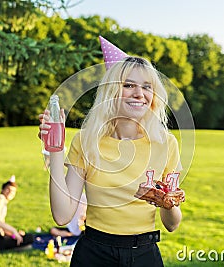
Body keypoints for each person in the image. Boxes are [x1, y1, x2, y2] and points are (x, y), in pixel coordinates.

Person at [38, 36, 184, 266]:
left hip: (145, 254)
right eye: (128, 85)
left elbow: (172, 224)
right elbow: (62, 215)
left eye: (147, 87)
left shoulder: (166, 144)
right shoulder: (86, 141)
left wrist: (167, 203)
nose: (139, 93)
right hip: (94, 254)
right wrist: (54, 151)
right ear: (111, 92)